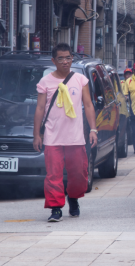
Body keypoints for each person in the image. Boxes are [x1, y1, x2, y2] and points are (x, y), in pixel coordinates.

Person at [33, 43, 97, 222]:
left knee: (79, 174)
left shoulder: (80, 80)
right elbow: (39, 109)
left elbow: (89, 105)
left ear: (72, 59)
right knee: (53, 175)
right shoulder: (45, 82)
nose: (65, 62)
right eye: (60, 58)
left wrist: (93, 129)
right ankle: (55, 208)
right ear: (54, 60)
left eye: (68, 58)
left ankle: (74, 198)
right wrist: (37, 134)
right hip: (53, 137)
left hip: (75, 138)